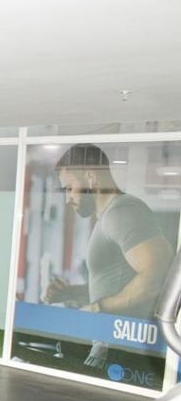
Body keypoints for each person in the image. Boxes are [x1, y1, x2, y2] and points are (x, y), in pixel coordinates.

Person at [42, 143, 174, 366]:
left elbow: (158, 276)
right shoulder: (109, 216)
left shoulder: (122, 213)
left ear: (90, 177)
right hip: (112, 345)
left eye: (69, 188)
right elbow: (119, 286)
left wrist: (99, 308)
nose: (67, 198)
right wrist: (71, 293)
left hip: (120, 349)